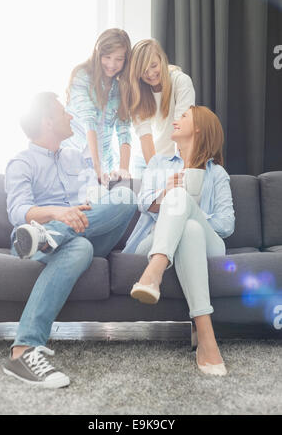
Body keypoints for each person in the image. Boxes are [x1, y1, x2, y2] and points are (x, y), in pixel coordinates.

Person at [3, 92, 137, 388]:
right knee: (80, 246)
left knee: (126, 196)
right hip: (31, 245)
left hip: (79, 229)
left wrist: (104, 187)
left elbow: (95, 199)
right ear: (48, 122)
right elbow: (18, 211)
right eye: (64, 113)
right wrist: (57, 214)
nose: (71, 117)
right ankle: (23, 350)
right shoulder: (21, 163)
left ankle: (50, 236)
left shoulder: (74, 157)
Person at [123, 106, 235, 376]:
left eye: (183, 116)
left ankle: (153, 274)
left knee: (191, 222)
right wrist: (167, 195)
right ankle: (206, 340)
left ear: (199, 128)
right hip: (152, 240)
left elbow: (226, 225)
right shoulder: (158, 164)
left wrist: (188, 211)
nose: (176, 120)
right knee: (190, 230)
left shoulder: (216, 173)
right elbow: (143, 203)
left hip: (211, 246)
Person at [63, 28, 132, 186]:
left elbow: (124, 130)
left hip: (103, 161)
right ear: (98, 54)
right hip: (73, 157)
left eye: (119, 59)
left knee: (120, 198)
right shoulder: (81, 75)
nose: (112, 64)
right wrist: (96, 168)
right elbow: (89, 120)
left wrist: (123, 170)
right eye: (107, 57)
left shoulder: (121, 88)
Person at [128, 38, 195, 178]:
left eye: (153, 65)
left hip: (175, 159)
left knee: (174, 197)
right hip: (146, 162)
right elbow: (145, 135)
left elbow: (182, 128)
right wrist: (155, 173)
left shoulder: (181, 82)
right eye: (144, 71)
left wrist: (181, 168)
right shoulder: (137, 92)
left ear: (161, 59)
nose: (150, 74)